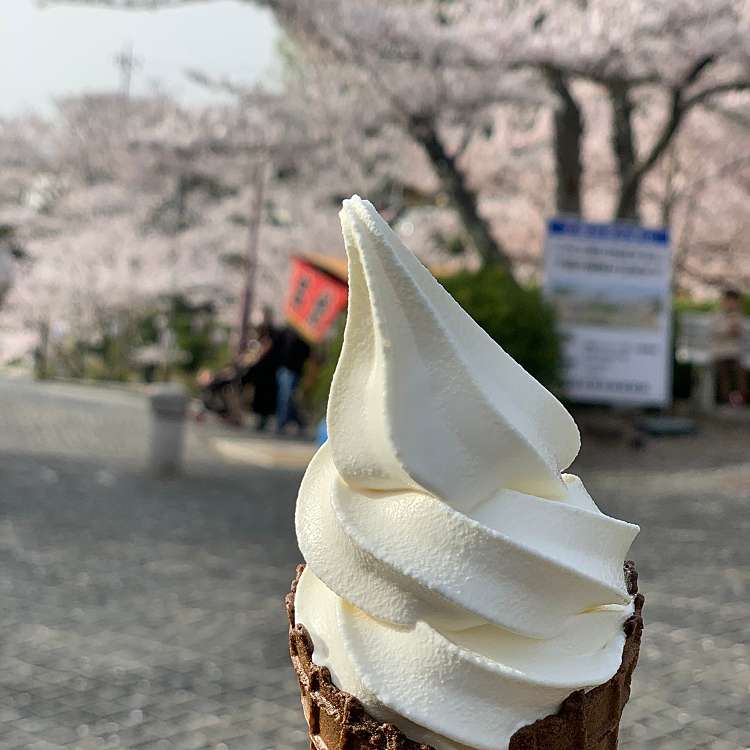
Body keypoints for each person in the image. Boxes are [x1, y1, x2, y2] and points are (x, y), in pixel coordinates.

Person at [713, 288, 748, 406]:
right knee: (723, 370)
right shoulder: (717, 314)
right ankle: (726, 397)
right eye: (729, 301)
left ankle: (741, 397)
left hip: (735, 353)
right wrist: (728, 329)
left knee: (739, 370)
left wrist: (735, 327)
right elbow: (715, 331)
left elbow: (741, 333)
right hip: (720, 352)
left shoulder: (738, 315)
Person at [275, 324, 311, 434]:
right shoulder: (285, 333)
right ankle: (297, 422)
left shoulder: (302, 337)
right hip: (284, 370)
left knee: (286, 398)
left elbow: (306, 354)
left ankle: (282, 423)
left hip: (293, 371)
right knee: (287, 398)